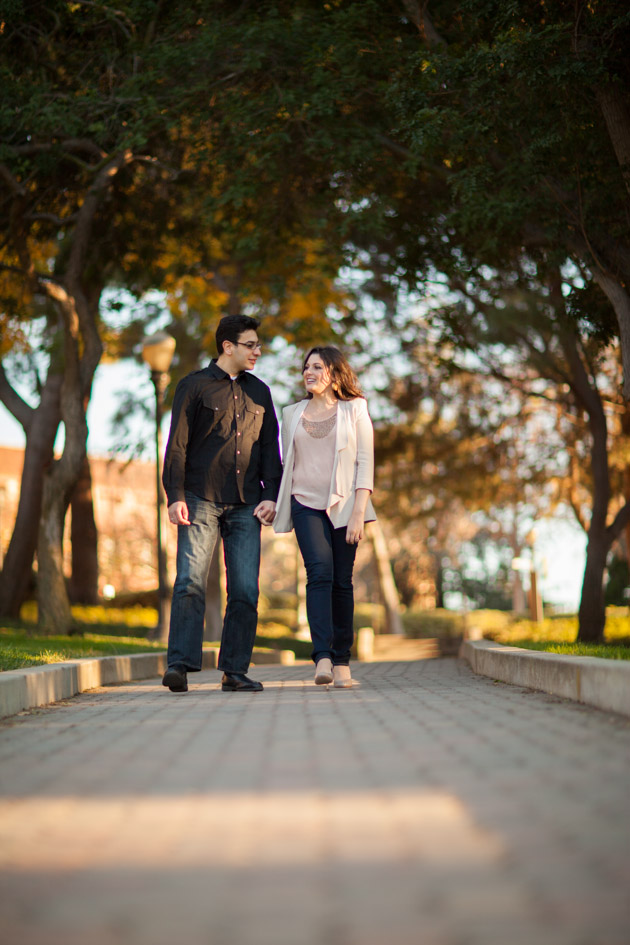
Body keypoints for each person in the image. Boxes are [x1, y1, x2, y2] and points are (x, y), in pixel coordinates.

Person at [161, 314, 281, 694]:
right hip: (199, 498)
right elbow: (176, 445)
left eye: (258, 345)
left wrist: (271, 496)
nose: (257, 352)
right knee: (190, 582)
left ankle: (234, 671)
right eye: (251, 345)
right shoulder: (193, 387)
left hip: (247, 504)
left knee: (245, 589)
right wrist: (174, 496)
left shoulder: (260, 393)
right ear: (228, 346)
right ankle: (179, 665)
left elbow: (269, 450)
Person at [273, 346, 376, 689]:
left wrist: (359, 513)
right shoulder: (291, 413)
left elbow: (365, 462)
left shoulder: (355, 409)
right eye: (306, 367)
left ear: (334, 373)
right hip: (305, 502)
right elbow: (288, 464)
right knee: (318, 572)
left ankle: (342, 659)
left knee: (341, 581)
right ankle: (323, 657)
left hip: (346, 505)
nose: (309, 372)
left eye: (317, 366)